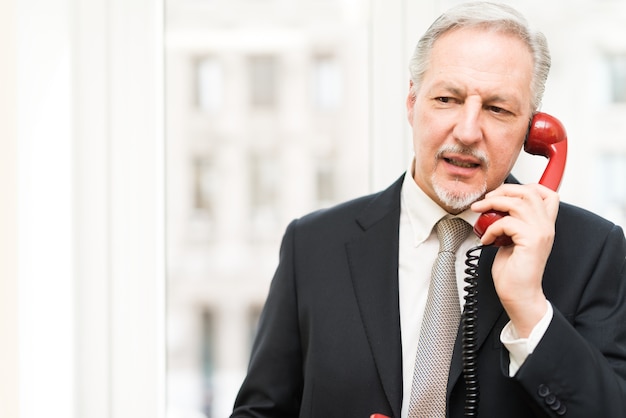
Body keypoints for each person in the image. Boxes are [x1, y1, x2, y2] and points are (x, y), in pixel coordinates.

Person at [231, 2, 626, 417]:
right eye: (446, 99)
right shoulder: (312, 246)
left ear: (533, 130)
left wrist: (529, 308)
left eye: (497, 109)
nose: (468, 131)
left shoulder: (593, 252)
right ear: (411, 103)